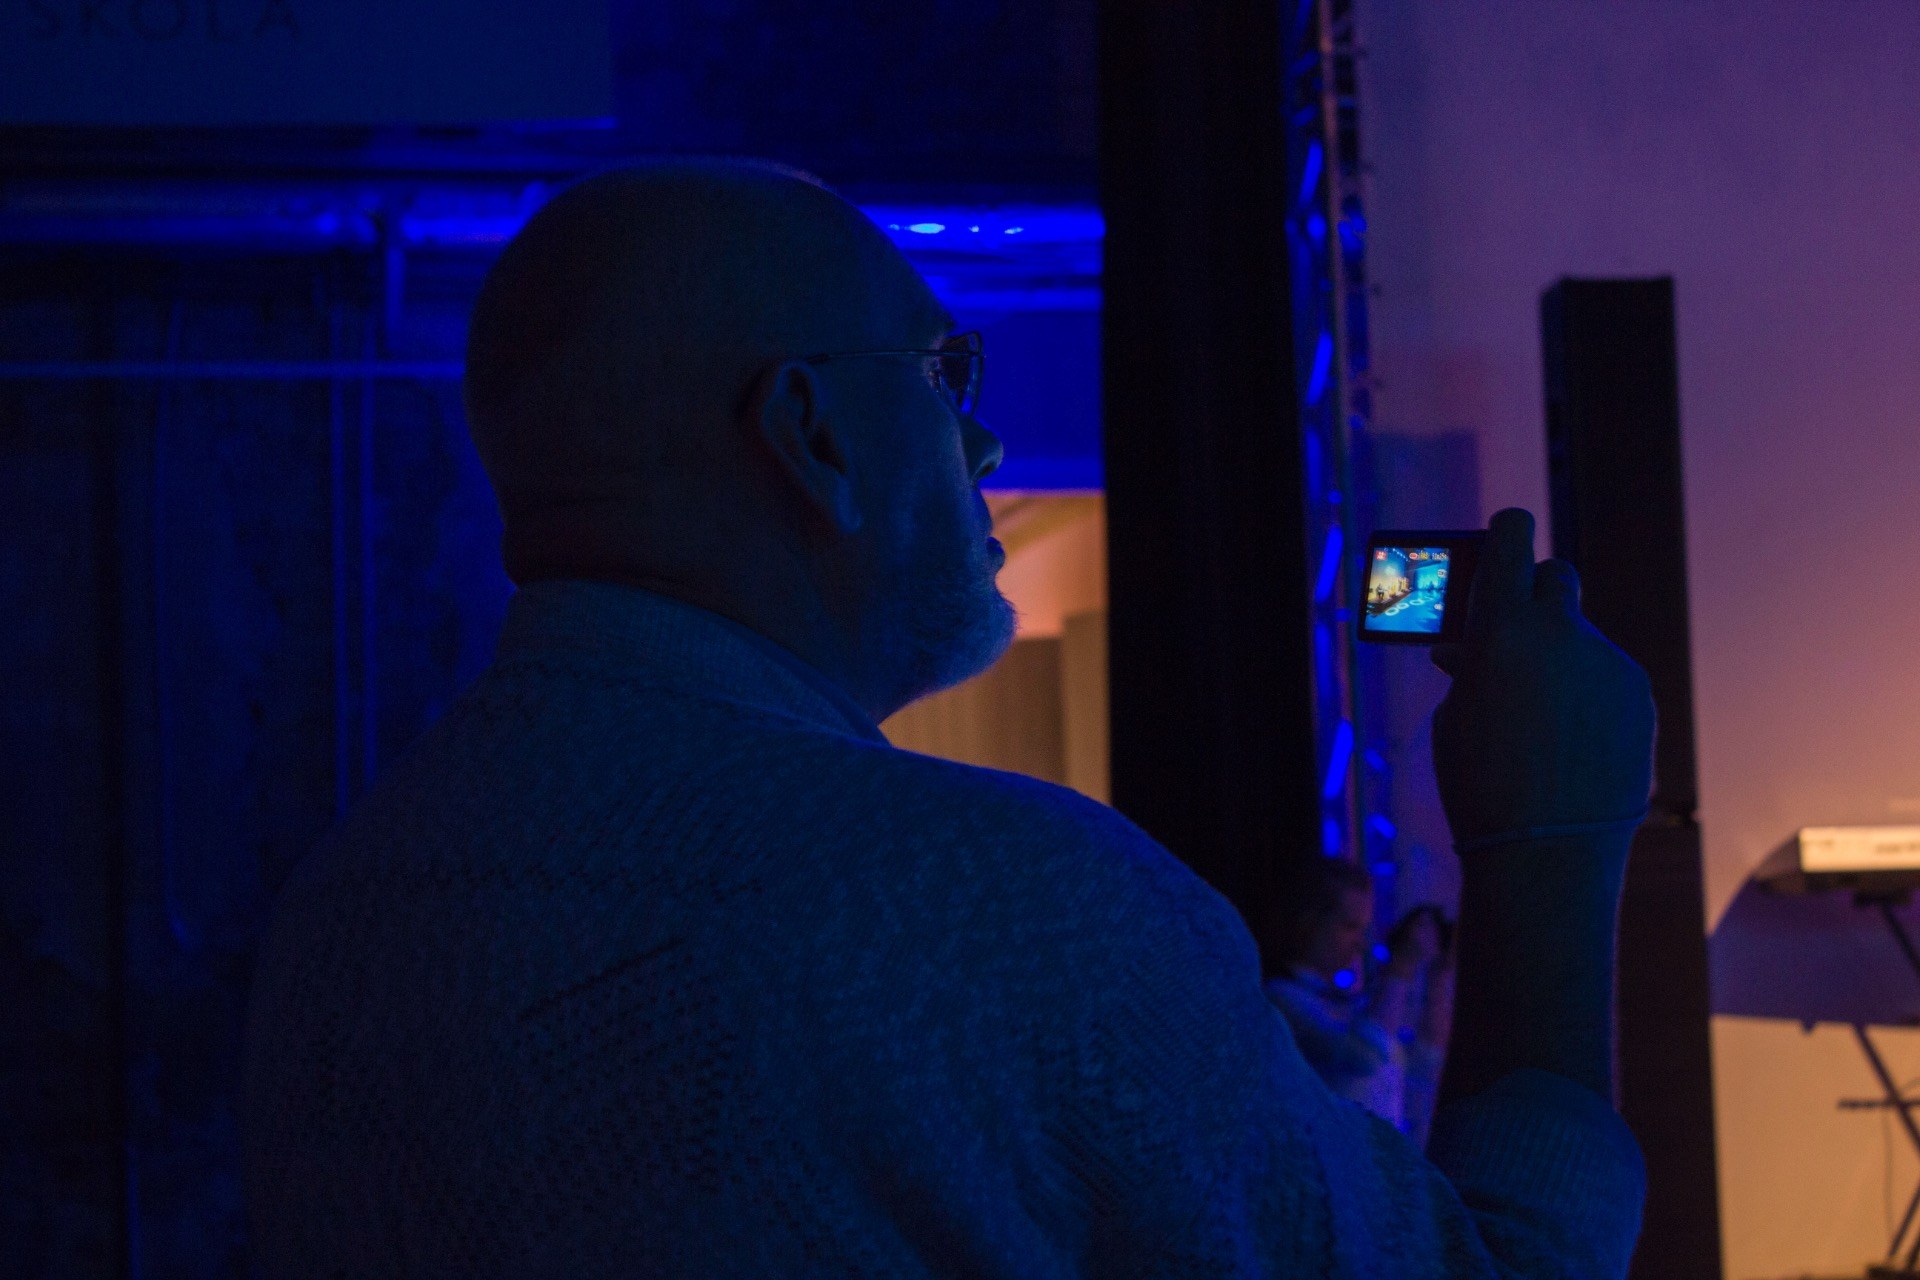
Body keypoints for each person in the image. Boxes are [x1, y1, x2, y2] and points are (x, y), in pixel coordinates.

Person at [242, 160, 1657, 1278]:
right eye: (943, 372)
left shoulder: (336, 917)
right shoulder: (1013, 905)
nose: (983, 439)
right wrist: (1551, 839)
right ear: (811, 435)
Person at [1262, 862, 1453, 1146]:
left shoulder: (1351, 1005)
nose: (1361, 944)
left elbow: (1424, 1063)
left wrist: (1441, 971)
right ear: (1308, 922)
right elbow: (1364, 1056)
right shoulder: (1281, 999)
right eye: (1350, 926)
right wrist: (1401, 965)